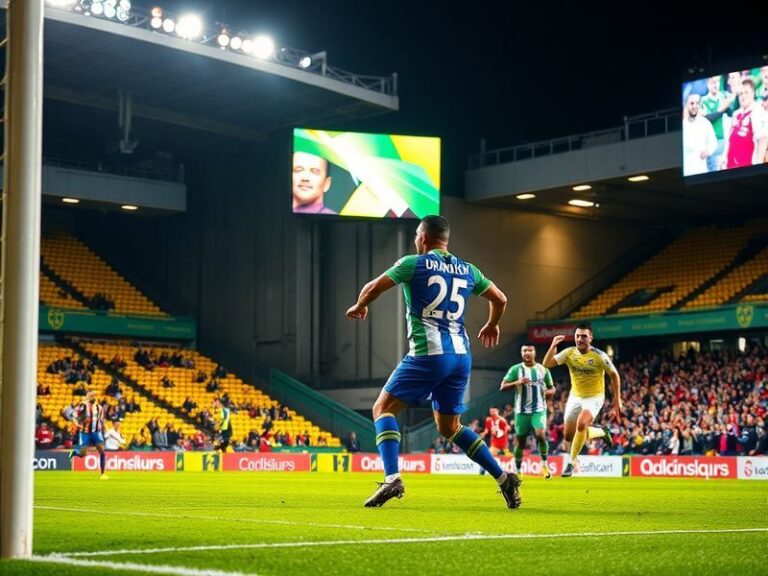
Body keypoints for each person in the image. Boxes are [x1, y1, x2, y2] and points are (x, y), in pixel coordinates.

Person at [345, 215, 521, 509]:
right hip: (461, 358)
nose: (416, 240)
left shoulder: (413, 263)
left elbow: (372, 286)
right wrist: (492, 324)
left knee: (382, 408)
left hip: (429, 354)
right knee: (450, 427)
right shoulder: (468, 269)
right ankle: (505, 479)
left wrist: (360, 305)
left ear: (423, 238)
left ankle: (391, 478)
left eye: (416, 236)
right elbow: (500, 298)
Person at [542, 323, 621, 477]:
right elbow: (546, 364)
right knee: (568, 436)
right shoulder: (569, 353)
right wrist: (553, 345)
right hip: (575, 397)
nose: (579, 339)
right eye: (577, 335)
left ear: (590, 338)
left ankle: (571, 463)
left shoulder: (599, 356)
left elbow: (614, 375)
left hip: (594, 397)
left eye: (583, 336)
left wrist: (618, 400)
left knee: (582, 423)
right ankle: (601, 432)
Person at [500, 343, 555, 479]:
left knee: (541, 434)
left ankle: (545, 466)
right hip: (521, 412)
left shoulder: (543, 370)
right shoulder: (515, 369)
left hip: (539, 410)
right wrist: (517, 382)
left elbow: (552, 388)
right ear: (521, 353)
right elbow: (502, 386)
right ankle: (518, 471)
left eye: (530, 350)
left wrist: (546, 392)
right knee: (520, 442)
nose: (527, 353)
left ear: (534, 353)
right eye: (524, 350)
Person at [723, 77, 768, 169]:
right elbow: (730, 139)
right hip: (730, 167)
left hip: (747, 168)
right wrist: (724, 157)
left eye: (746, 93)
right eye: (740, 94)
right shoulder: (736, 114)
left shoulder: (758, 111)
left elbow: (762, 139)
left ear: (753, 93)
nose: (743, 96)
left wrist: (758, 166)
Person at [68, 390, 109, 479]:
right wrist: (77, 424)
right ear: (87, 397)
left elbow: (101, 420)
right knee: (83, 454)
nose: (92, 397)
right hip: (85, 432)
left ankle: (102, 474)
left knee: (102, 450)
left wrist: (106, 430)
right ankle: (75, 452)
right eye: (90, 396)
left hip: (96, 432)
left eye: (94, 395)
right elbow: (74, 416)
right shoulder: (82, 406)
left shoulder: (100, 408)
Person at [682, 92, 717, 176]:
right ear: (686, 104)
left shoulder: (705, 123)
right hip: (686, 172)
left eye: (697, 103)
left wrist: (708, 151)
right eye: (691, 103)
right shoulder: (682, 125)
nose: (694, 106)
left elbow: (714, 143)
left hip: (701, 171)